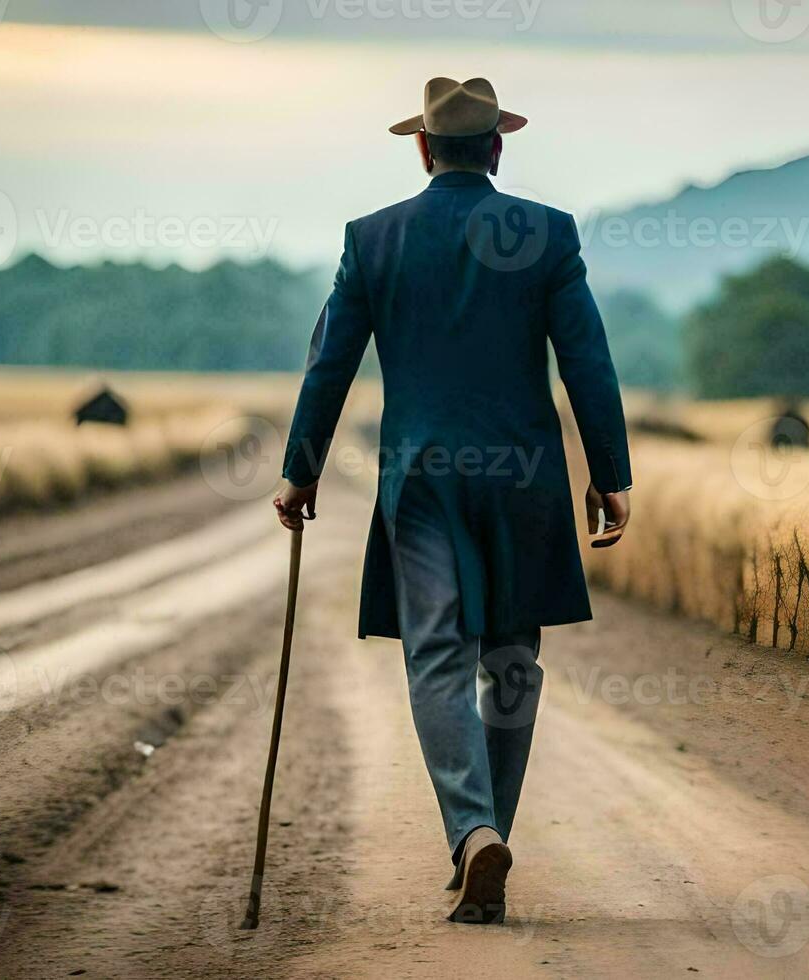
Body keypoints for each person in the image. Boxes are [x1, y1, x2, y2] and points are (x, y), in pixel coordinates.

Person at [273, 77, 632, 925]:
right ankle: (485, 836)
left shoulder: (374, 238)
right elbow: (588, 361)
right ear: (498, 149)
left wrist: (301, 468)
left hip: (424, 477)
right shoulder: (549, 234)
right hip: (524, 481)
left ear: (425, 149)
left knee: (437, 654)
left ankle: (474, 834)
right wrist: (610, 472)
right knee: (511, 660)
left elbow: (331, 364)